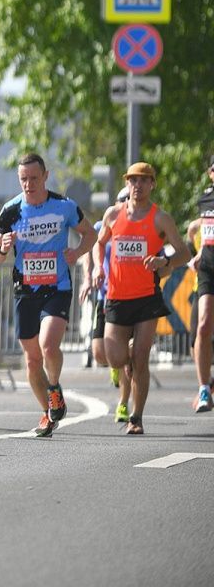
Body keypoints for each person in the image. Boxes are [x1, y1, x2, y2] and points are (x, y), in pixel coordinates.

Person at [0, 153, 97, 437]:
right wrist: (3, 248)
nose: (28, 184)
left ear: (45, 176)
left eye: (34, 178)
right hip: (24, 290)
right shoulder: (11, 210)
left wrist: (77, 252)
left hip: (57, 287)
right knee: (32, 360)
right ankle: (48, 407)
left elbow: (90, 234)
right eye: (23, 179)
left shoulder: (63, 206)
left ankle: (53, 385)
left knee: (49, 345)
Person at [93, 161, 189, 435]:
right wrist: (99, 267)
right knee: (114, 357)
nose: (138, 185)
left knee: (141, 358)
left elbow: (183, 252)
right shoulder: (113, 214)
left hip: (146, 296)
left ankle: (136, 417)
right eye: (133, 180)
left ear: (152, 184)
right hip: (117, 297)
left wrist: (164, 261)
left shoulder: (161, 218)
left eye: (143, 180)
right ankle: (128, 359)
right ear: (127, 184)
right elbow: (99, 244)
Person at [79, 187, 133, 420]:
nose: (126, 204)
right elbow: (88, 255)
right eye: (123, 200)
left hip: (132, 298)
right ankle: (114, 363)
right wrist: (89, 277)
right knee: (100, 354)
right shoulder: (103, 226)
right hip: (105, 296)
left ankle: (123, 404)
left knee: (126, 356)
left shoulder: (137, 228)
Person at [184, 156, 214, 412]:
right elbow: (205, 230)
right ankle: (204, 388)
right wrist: (198, 254)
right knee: (203, 325)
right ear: (210, 173)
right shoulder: (205, 198)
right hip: (207, 270)